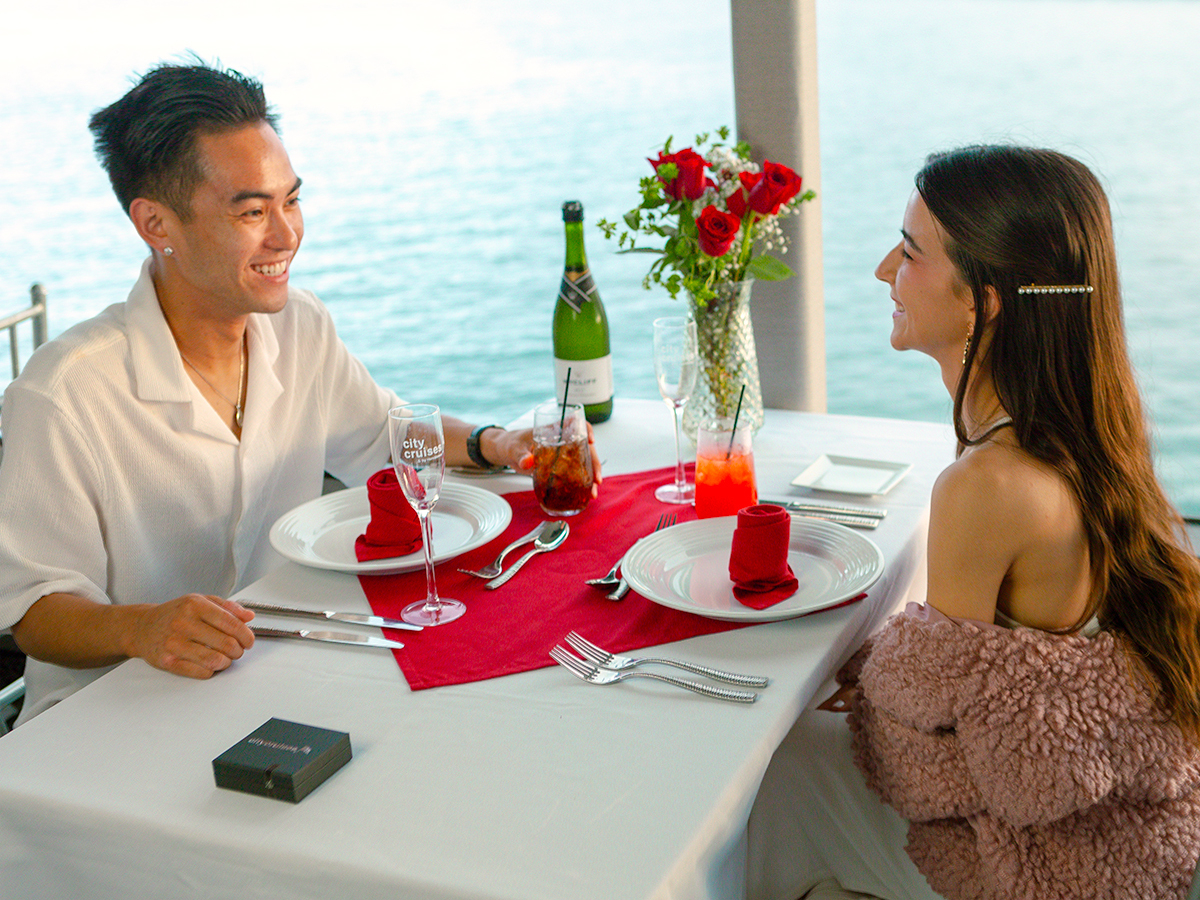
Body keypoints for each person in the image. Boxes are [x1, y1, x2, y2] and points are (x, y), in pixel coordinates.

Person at [0, 60, 597, 726]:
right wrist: (142, 628)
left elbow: (388, 436)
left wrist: (498, 441)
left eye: (291, 200)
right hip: (104, 723)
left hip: (263, 682)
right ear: (156, 225)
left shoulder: (300, 325)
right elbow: (34, 611)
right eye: (253, 211)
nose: (286, 235)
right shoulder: (62, 394)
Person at [747, 145, 1200, 900]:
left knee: (769, 779)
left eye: (912, 251)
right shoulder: (1086, 432)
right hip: (1122, 829)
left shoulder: (986, 484)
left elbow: (927, 761)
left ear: (984, 302)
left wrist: (875, 684)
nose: (884, 269)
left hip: (1043, 864)